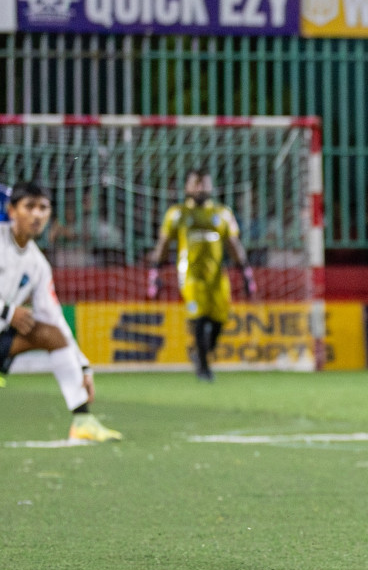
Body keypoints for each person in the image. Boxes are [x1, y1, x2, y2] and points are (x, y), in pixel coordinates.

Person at [0, 182, 122, 442]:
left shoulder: (38, 264)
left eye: (43, 208)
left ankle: (82, 421)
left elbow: (53, 315)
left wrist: (83, 365)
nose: (37, 215)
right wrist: (8, 313)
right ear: (11, 211)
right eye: (29, 207)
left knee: (52, 334)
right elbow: (10, 314)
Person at [147, 169, 256, 383]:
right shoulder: (177, 214)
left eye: (204, 183)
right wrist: (154, 273)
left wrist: (246, 273)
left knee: (219, 320)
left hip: (217, 278)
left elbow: (234, 245)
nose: (200, 188)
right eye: (196, 183)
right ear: (187, 187)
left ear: (211, 187)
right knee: (199, 319)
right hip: (189, 276)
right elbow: (163, 244)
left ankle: (202, 354)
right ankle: (204, 369)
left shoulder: (222, 213)